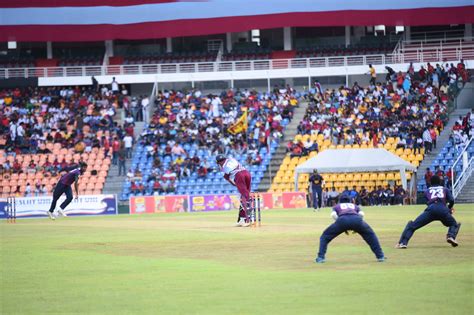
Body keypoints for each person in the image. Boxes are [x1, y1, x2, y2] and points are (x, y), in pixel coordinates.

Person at [315, 194, 386, 263]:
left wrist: (340, 224)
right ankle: (380, 256)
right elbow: (361, 214)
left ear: (340, 201)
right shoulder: (355, 206)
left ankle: (321, 257)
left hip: (342, 220)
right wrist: (358, 225)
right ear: (350, 201)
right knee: (371, 236)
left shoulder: (337, 206)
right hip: (357, 219)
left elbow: (333, 215)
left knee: (324, 237)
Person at [396, 176, 461, 249]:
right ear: (440, 182)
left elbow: (428, 202)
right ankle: (451, 236)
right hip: (443, 210)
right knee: (454, 224)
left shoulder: (426, 191)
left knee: (412, 225)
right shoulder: (445, 189)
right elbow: (451, 200)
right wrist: (449, 208)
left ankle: (402, 243)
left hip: (431, 210)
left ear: (430, 182)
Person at [216, 154, 251, 227]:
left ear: (219, 162)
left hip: (239, 175)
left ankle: (248, 219)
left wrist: (233, 183)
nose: (221, 163)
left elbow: (227, 177)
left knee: (245, 197)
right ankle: (242, 219)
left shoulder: (224, 167)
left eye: (220, 162)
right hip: (247, 173)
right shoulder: (232, 159)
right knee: (245, 196)